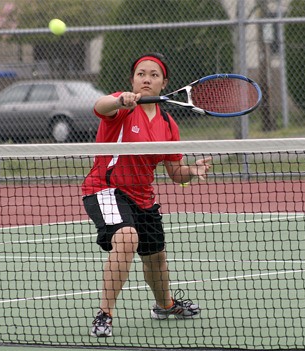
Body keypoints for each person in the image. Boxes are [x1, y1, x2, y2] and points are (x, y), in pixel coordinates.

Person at [82, 53, 212, 338]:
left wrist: (193, 170)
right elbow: (100, 106)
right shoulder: (124, 106)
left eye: (154, 75)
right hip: (106, 189)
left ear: (164, 83)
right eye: (141, 73)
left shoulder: (167, 123)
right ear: (132, 79)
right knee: (127, 238)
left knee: (156, 257)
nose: (146, 79)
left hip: (143, 197)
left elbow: (176, 173)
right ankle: (104, 314)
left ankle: (165, 305)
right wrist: (119, 100)